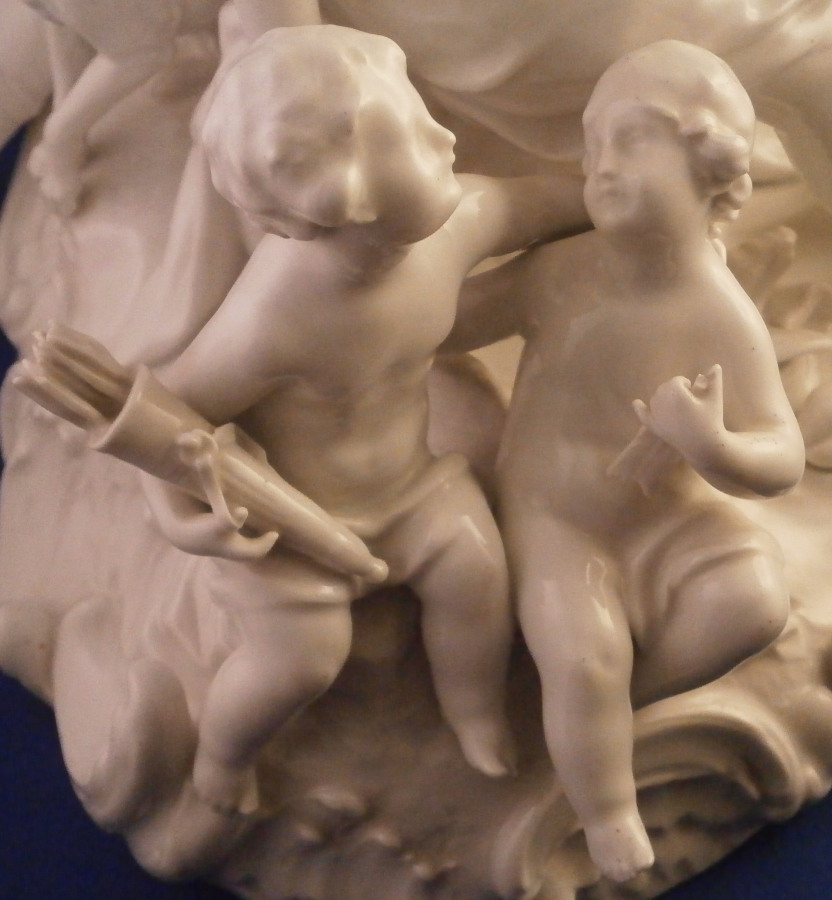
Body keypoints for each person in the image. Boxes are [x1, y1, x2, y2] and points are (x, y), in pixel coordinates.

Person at [138, 24, 589, 815]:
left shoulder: (457, 225)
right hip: (293, 520)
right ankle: (222, 757)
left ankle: (473, 713)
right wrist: (184, 519)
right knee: (300, 663)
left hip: (413, 489)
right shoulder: (272, 321)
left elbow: (546, 204)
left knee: (476, 575)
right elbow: (163, 417)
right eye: (407, 133)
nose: (445, 136)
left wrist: (635, 205)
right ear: (337, 197)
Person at [444, 40, 805, 882]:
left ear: (709, 162)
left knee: (752, 601)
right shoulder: (559, 272)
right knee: (584, 657)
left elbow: (779, 453)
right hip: (557, 517)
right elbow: (448, 323)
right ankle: (605, 806)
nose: (601, 166)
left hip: (670, 518)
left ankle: (606, 715)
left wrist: (712, 446)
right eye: (592, 142)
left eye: (632, 139)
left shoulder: (717, 313)